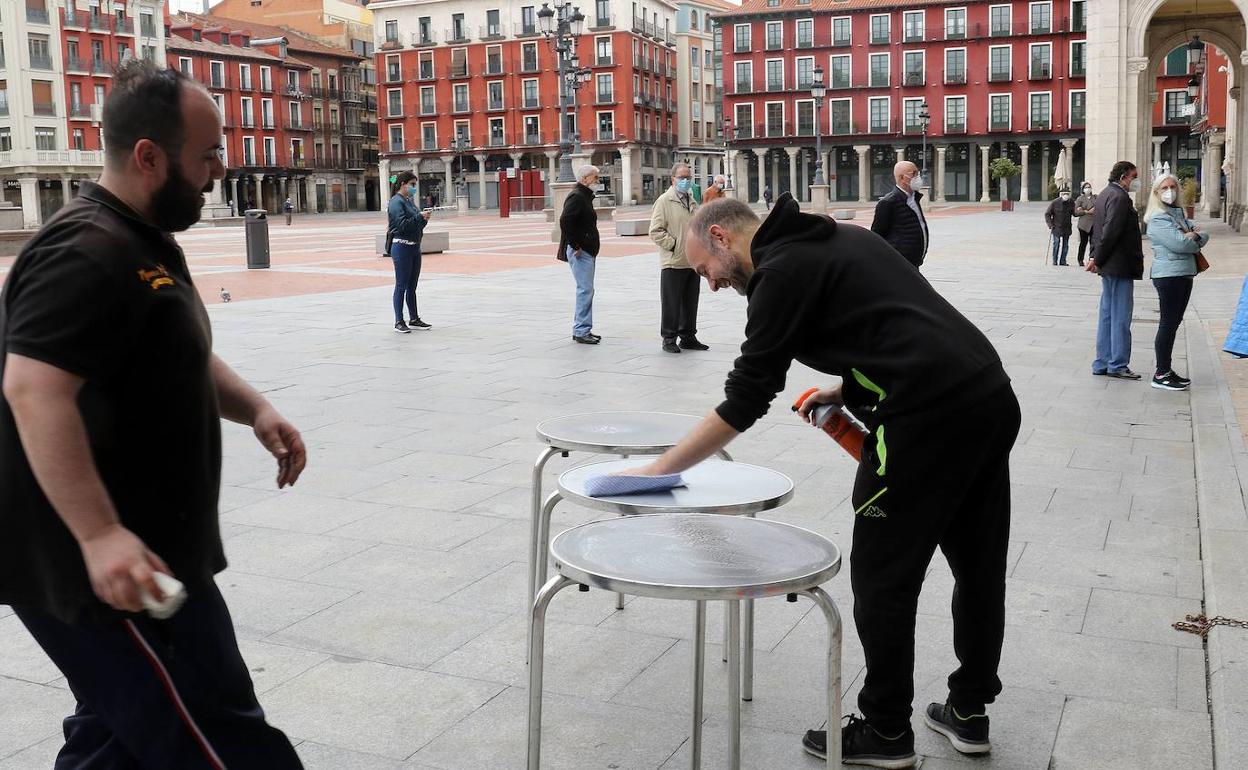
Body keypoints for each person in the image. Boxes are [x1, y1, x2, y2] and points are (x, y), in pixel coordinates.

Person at [629, 195, 1019, 768]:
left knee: (883, 579)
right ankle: (969, 711)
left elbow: (746, 398)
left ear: (720, 237)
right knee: (978, 566)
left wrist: (657, 472)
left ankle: (886, 732)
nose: (709, 285)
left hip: (926, 421)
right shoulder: (837, 236)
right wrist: (848, 388)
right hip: (988, 396)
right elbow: (894, 324)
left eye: (705, 270)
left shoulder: (779, 274)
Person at [0, 60, 307, 769]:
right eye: (206, 155)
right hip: (102, 573)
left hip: (154, 558)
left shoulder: (140, 240)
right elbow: (31, 389)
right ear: (149, 156)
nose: (219, 170)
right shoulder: (85, 251)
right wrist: (100, 534)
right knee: (217, 738)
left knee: (115, 740)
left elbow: (180, 351)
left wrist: (255, 408)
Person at [1144, 173, 1208, 391]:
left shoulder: (1178, 214)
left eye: (1172, 186)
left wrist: (1194, 236)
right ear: (1156, 192)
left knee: (1173, 323)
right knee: (1168, 323)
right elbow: (1180, 245)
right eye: (1164, 188)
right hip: (1169, 276)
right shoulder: (1158, 218)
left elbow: (1203, 234)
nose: (1169, 191)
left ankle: (1167, 370)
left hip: (1184, 273)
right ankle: (1161, 373)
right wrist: (1190, 237)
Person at [1088, 161, 1144, 379]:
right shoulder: (1120, 198)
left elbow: (1097, 229)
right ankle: (1118, 364)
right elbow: (1111, 231)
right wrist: (1097, 258)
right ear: (1123, 176)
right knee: (1120, 315)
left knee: (1107, 314)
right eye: (1134, 176)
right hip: (1119, 264)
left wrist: (1095, 256)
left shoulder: (1104, 194)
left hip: (1109, 264)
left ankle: (1101, 362)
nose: (1136, 180)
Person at [650, 162, 707, 354]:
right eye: (682, 177)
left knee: (690, 302)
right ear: (673, 179)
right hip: (673, 262)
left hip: (692, 262)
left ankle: (688, 337)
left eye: (688, 177)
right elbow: (655, 231)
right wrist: (673, 245)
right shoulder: (664, 201)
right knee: (671, 303)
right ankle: (669, 338)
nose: (686, 181)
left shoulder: (692, 201)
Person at [557, 164, 602, 345]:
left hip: (585, 250)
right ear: (584, 179)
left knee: (586, 290)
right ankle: (581, 330)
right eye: (595, 178)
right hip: (581, 252)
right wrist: (575, 244)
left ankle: (582, 328)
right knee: (585, 290)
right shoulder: (577, 196)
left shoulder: (584, 196)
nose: (597, 182)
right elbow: (565, 220)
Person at [387, 170, 432, 333]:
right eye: (412, 185)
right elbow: (401, 225)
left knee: (412, 286)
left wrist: (423, 219)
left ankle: (414, 318)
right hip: (401, 246)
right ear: (402, 184)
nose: (414, 188)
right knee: (401, 285)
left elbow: (416, 225)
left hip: (414, 246)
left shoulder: (409, 201)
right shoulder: (396, 202)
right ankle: (399, 320)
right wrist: (419, 217)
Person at [870, 161, 929, 269]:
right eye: (914, 173)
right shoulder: (888, 202)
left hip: (914, 262)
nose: (918, 177)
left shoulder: (914, 198)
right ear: (902, 178)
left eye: (918, 173)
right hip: (899, 263)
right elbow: (877, 235)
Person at [1044, 188, 1075, 266]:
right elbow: (1047, 214)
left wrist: (1083, 211)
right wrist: (1050, 224)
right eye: (1064, 194)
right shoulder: (1055, 202)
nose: (1066, 196)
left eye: (1067, 194)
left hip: (1067, 227)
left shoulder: (1071, 202)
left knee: (1065, 245)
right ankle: (1055, 260)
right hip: (1056, 227)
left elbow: (1074, 213)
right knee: (1056, 244)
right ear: (1061, 195)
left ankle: (1063, 261)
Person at [1073, 181, 1097, 266]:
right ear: (1083, 189)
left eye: (1089, 187)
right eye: (1086, 187)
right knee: (1083, 242)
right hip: (1083, 224)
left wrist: (1083, 209)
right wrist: (1086, 211)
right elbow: (1075, 212)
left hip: (1094, 223)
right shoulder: (1080, 199)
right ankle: (1080, 259)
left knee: (1093, 242)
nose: (1088, 189)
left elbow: (1098, 207)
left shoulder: (1095, 197)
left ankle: (1092, 259)